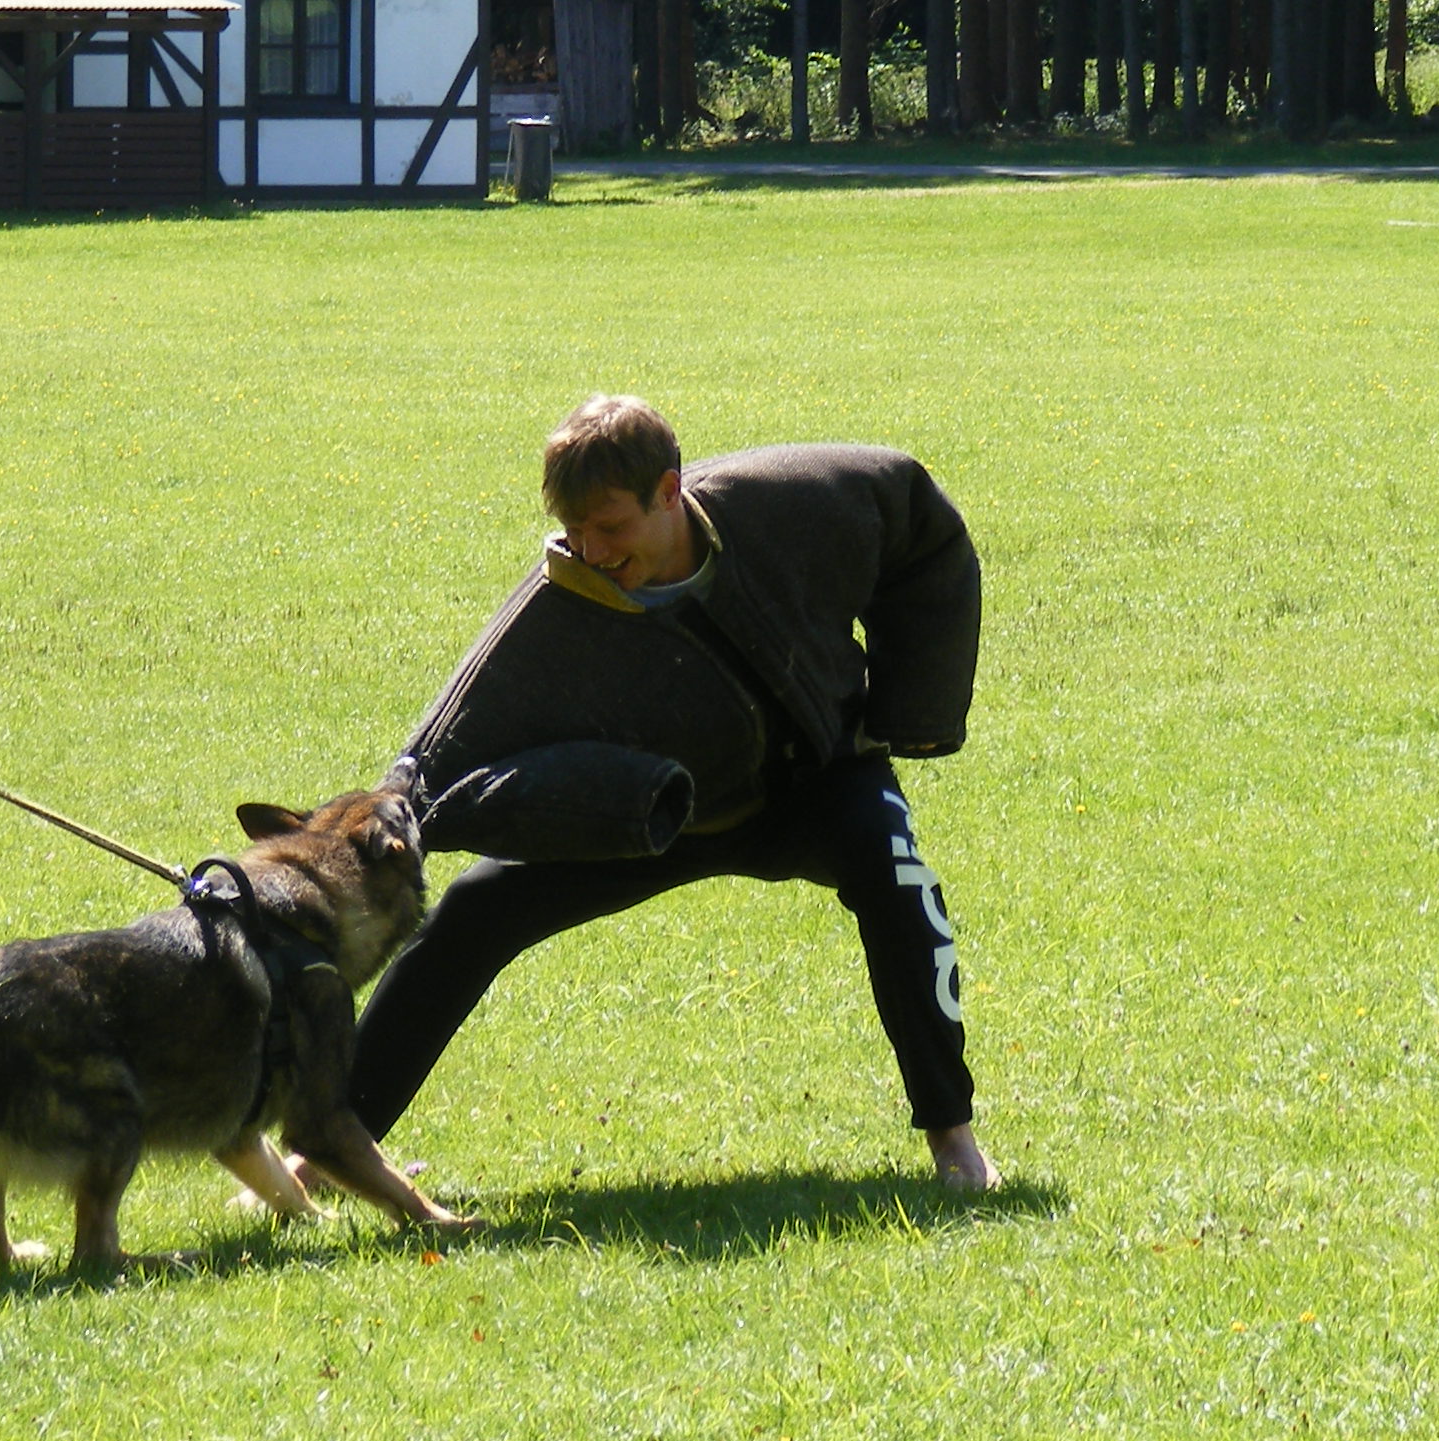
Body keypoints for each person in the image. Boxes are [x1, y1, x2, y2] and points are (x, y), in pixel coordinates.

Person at [352, 395, 1000, 1190]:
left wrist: (911, 714)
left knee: (898, 881)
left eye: (611, 527)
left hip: (816, 781)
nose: (589, 550)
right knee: (474, 912)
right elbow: (445, 741)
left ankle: (956, 1143)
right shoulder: (561, 597)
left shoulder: (793, 504)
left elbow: (920, 529)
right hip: (652, 814)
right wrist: (372, 826)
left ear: (669, 491)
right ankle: (328, 1149)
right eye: (574, 530)